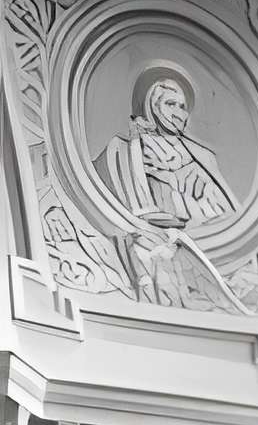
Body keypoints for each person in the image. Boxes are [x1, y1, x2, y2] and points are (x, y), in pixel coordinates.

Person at [93, 65, 243, 310]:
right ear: (152, 106)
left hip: (202, 236)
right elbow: (119, 200)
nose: (178, 113)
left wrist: (193, 197)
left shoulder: (202, 156)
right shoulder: (128, 149)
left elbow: (223, 208)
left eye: (182, 107)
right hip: (155, 236)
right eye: (170, 104)